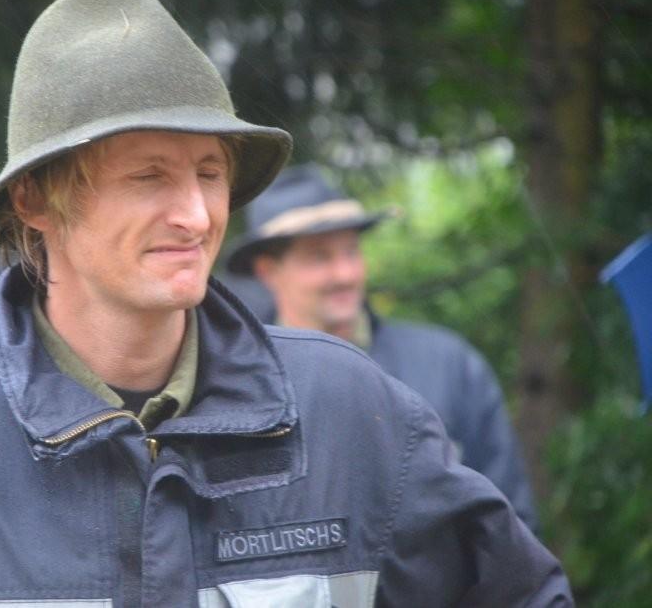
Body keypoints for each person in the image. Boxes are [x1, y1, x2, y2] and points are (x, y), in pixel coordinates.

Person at [0, 0, 571, 606]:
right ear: (35, 201)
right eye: (149, 176)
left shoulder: (348, 410)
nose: (196, 214)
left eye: (209, 173)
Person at [224, 164, 540, 532]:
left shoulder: (451, 365)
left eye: (351, 251)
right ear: (268, 272)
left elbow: (510, 525)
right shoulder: (235, 388)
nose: (345, 274)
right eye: (319, 257)